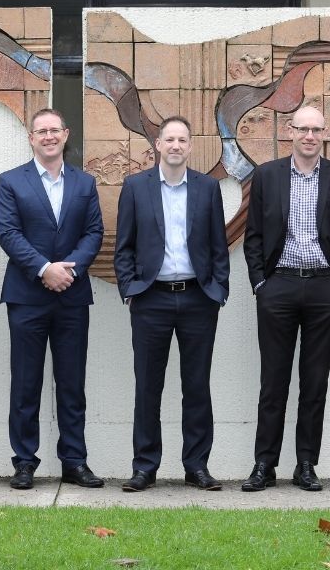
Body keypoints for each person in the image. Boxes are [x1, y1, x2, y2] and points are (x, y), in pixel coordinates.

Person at [241, 105, 330, 493]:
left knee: (315, 380)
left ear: (324, 133)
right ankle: (264, 465)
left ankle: (306, 464)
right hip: (277, 287)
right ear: (290, 132)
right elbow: (255, 237)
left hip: (325, 289)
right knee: (273, 380)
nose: (309, 136)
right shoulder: (267, 176)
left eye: (316, 130)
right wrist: (260, 284)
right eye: (303, 129)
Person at [113, 116, 230, 493]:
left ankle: (196, 466)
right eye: (169, 140)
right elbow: (124, 247)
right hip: (152, 300)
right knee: (148, 386)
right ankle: (145, 467)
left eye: (183, 139)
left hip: (198, 298)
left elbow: (218, 245)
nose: (176, 146)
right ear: (158, 146)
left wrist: (218, 289)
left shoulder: (208, 188)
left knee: (197, 386)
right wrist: (131, 288)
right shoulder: (135, 187)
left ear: (190, 146)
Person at [0, 108, 105, 490]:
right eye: (40, 131)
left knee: (72, 384)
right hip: (27, 296)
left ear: (65, 134)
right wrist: (45, 269)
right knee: (26, 384)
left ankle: (74, 461)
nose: (48, 137)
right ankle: (25, 462)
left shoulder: (85, 183)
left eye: (54, 130)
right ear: (31, 138)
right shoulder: (10, 181)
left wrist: (68, 270)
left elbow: (94, 232)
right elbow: (8, 233)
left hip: (72, 296)